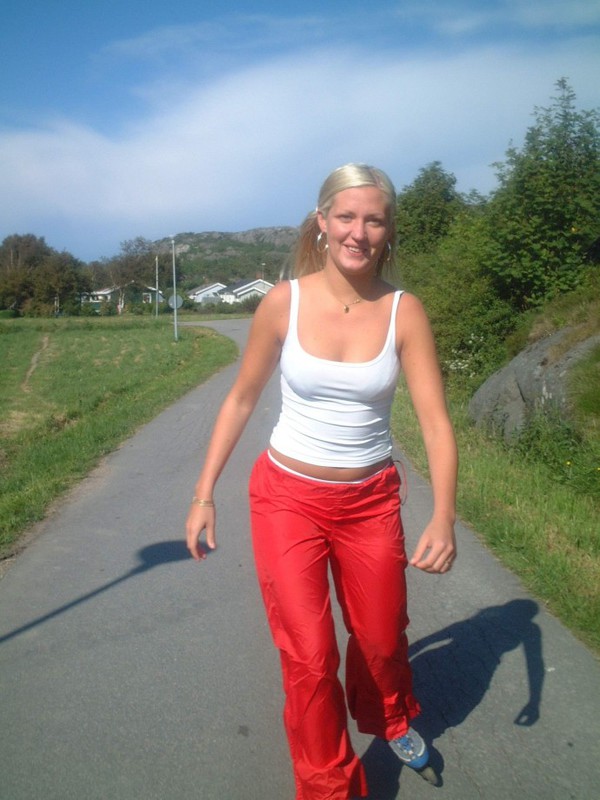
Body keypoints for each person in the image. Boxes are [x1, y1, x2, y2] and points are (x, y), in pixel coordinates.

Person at [185, 163, 458, 800]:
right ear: (322, 222)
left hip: (369, 502)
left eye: (374, 220)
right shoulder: (284, 301)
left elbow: (436, 423)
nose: (359, 232)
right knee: (309, 657)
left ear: (389, 231)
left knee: (382, 639)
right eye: (346, 217)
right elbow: (241, 398)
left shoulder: (404, 312)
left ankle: (390, 717)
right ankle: (328, 786)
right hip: (287, 499)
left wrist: (444, 516)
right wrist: (204, 493)